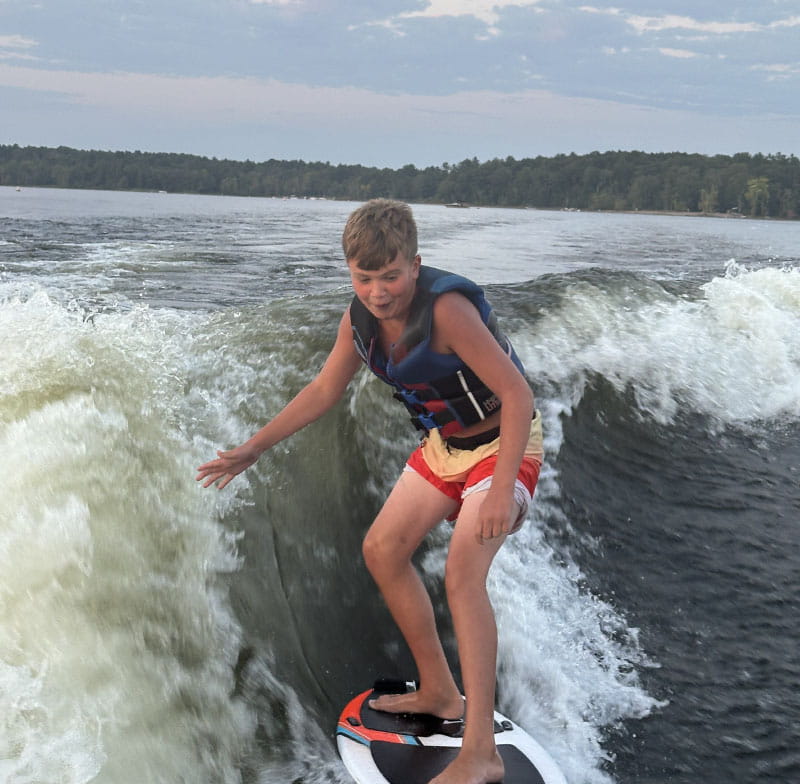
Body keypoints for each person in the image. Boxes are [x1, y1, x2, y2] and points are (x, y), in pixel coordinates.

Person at [196, 199, 543, 784]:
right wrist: (254, 447)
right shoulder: (358, 320)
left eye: (390, 276)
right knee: (383, 551)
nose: (378, 291)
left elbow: (517, 396)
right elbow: (324, 390)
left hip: (503, 443)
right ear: (350, 272)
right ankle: (438, 691)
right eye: (364, 278)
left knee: (462, 576)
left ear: (415, 265)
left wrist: (504, 487)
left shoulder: (450, 312)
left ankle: (480, 753)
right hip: (446, 448)